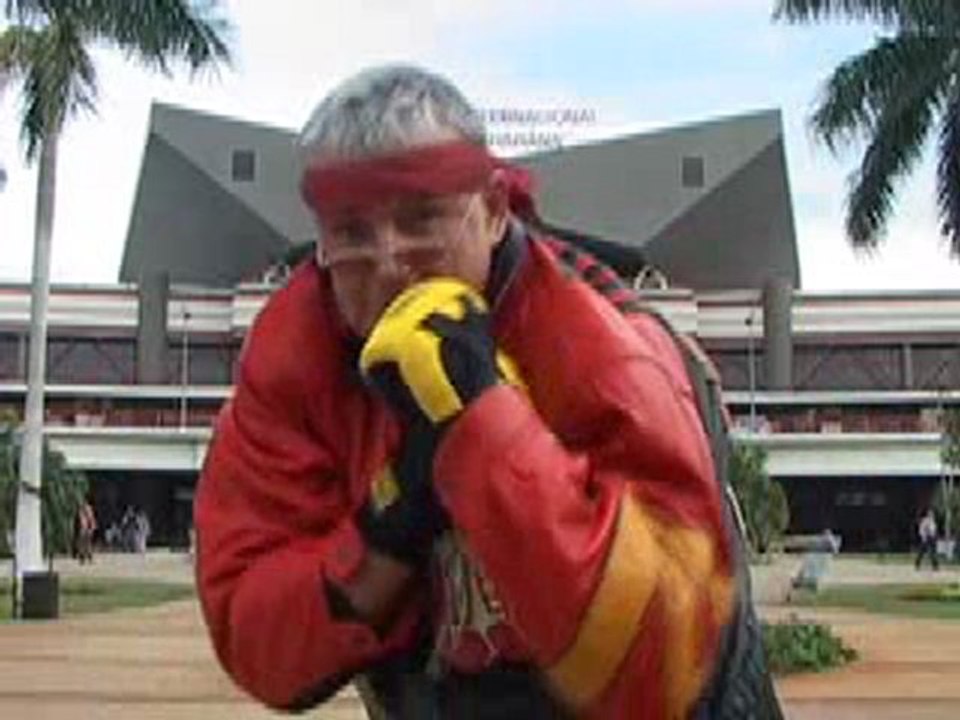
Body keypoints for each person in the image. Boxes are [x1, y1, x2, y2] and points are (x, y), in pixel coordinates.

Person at [194, 65, 782, 719]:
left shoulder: (607, 347)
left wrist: (481, 425)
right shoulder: (293, 364)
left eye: (423, 218)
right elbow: (252, 633)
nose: (389, 262)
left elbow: (664, 651)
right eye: (352, 232)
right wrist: (387, 529)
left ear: (495, 211)